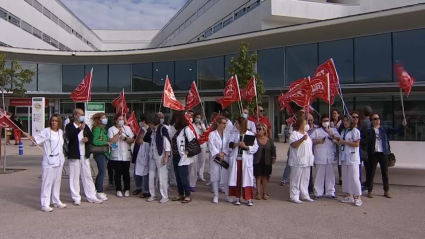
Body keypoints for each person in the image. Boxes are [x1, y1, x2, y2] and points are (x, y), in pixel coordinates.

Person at [26, 114, 67, 212]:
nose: (54, 122)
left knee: (57, 182)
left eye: (56, 121)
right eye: (52, 120)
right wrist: (29, 136)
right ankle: (45, 204)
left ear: (59, 122)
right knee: (47, 182)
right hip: (49, 160)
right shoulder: (46, 131)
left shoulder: (60, 132)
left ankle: (56, 200)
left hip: (59, 160)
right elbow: (36, 139)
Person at [65, 109, 102, 205]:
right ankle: (76, 197)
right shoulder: (69, 126)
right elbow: (70, 136)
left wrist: (87, 139)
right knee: (74, 176)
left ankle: (91, 196)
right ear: (75, 115)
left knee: (87, 175)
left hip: (84, 154)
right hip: (74, 155)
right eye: (81, 114)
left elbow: (91, 136)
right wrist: (78, 129)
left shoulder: (85, 126)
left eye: (83, 114)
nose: (82, 116)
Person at [366, 114, 406, 198]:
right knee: (371, 172)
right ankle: (370, 190)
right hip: (373, 153)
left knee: (385, 172)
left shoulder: (384, 128)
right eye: (375, 119)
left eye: (378, 118)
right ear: (372, 121)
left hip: (384, 153)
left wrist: (402, 125)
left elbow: (395, 130)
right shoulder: (369, 130)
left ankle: (386, 190)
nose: (377, 120)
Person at [229, 117, 259, 206]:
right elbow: (230, 144)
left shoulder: (250, 134)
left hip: (246, 160)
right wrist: (238, 144)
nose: (236, 125)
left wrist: (246, 147)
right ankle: (237, 197)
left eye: (237, 123)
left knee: (247, 179)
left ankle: (248, 198)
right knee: (237, 179)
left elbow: (255, 147)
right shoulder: (234, 134)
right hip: (237, 159)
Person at [334, 115, 362, 206]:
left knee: (354, 177)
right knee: (346, 177)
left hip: (353, 157)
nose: (345, 122)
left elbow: (357, 144)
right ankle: (349, 195)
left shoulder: (355, 131)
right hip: (344, 157)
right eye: (344, 121)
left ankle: (358, 196)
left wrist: (344, 142)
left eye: (347, 121)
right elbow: (341, 143)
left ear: (350, 122)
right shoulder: (343, 132)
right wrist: (336, 141)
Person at [310, 114, 340, 200]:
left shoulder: (333, 130)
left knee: (330, 176)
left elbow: (339, 139)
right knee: (319, 175)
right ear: (321, 122)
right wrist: (318, 141)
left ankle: (330, 192)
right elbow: (310, 140)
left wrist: (331, 134)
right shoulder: (317, 131)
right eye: (324, 121)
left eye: (327, 121)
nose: (326, 122)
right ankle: (318, 192)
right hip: (320, 155)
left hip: (330, 156)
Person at [144, 113, 170, 203]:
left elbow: (167, 144)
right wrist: (149, 130)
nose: (149, 125)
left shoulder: (163, 129)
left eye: (150, 123)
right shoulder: (152, 130)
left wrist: (166, 157)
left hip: (160, 155)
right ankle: (152, 194)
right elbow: (146, 139)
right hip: (152, 155)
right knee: (151, 176)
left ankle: (164, 195)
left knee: (162, 176)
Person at [171, 111, 196, 204]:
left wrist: (187, 150)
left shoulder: (186, 129)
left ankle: (188, 195)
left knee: (183, 176)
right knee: (177, 176)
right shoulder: (176, 130)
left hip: (183, 157)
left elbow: (193, 141)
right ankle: (181, 194)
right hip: (176, 156)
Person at [108, 113, 135, 197]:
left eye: (122, 119)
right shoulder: (111, 129)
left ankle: (127, 189)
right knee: (117, 173)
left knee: (126, 173)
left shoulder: (127, 128)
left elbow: (132, 139)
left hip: (126, 155)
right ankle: (118, 189)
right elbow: (111, 142)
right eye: (119, 119)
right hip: (116, 156)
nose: (121, 121)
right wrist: (118, 135)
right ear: (115, 120)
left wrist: (125, 138)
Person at [208, 116, 234, 204]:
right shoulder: (212, 134)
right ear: (218, 124)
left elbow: (229, 146)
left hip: (224, 158)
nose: (224, 125)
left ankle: (227, 195)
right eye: (223, 123)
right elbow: (211, 145)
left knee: (225, 176)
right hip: (215, 158)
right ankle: (216, 195)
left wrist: (224, 153)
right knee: (215, 177)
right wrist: (218, 154)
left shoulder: (228, 134)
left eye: (225, 123)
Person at [288, 117, 314, 204]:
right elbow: (293, 145)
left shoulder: (307, 134)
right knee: (296, 178)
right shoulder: (294, 134)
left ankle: (305, 195)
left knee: (305, 179)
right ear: (301, 125)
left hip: (307, 160)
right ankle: (294, 196)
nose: (307, 125)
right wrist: (302, 139)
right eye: (305, 123)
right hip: (297, 160)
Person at [91, 112, 111, 201]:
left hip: (104, 152)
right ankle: (99, 191)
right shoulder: (97, 129)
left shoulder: (102, 129)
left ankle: (98, 190)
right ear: (98, 120)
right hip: (99, 153)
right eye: (103, 118)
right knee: (102, 172)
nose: (105, 119)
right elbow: (95, 141)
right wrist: (106, 143)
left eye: (105, 117)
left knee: (102, 171)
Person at [253, 123, 276, 200]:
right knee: (258, 177)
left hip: (267, 161)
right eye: (257, 129)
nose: (258, 131)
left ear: (264, 130)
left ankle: (265, 192)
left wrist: (273, 158)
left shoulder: (269, 140)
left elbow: (273, 150)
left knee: (265, 177)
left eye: (260, 129)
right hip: (257, 160)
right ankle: (258, 192)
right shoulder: (254, 139)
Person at [133, 115, 151, 198]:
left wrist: (142, 141)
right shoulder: (141, 130)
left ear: (144, 121)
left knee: (146, 173)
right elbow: (137, 140)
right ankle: (138, 187)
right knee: (137, 172)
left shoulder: (150, 130)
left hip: (147, 153)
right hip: (138, 153)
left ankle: (146, 190)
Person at [351, 111, 369, 188]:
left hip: (359, 151)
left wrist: (358, 140)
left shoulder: (362, 128)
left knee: (358, 170)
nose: (355, 119)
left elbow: (366, 140)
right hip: (349, 152)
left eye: (357, 117)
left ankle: (358, 187)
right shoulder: (348, 128)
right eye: (353, 117)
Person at [192, 112, 207, 182]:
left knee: (202, 160)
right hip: (195, 144)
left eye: (199, 117)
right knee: (195, 160)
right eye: (197, 117)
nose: (198, 119)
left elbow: (205, 132)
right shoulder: (192, 125)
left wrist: (201, 126)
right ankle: (194, 175)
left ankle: (201, 175)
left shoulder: (202, 125)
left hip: (202, 144)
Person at [331, 109, 343, 186]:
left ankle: (341, 177)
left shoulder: (341, 123)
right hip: (332, 143)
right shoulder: (330, 123)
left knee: (340, 160)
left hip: (339, 143)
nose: (334, 114)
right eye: (333, 113)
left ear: (338, 114)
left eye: (335, 113)